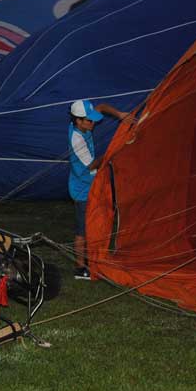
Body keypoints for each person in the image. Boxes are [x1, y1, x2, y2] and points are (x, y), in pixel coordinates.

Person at [68, 99, 130, 280]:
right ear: (78, 121)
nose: (93, 123)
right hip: (82, 188)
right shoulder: (77, 140)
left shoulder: (81, 121)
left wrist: (120, 115)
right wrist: (114, 150)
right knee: (83, 230)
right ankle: (80, 268)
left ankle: (91, 259)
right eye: (89, 121)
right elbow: (93, 164)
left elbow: (101, 107)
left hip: (89, 182)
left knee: (93, 223)